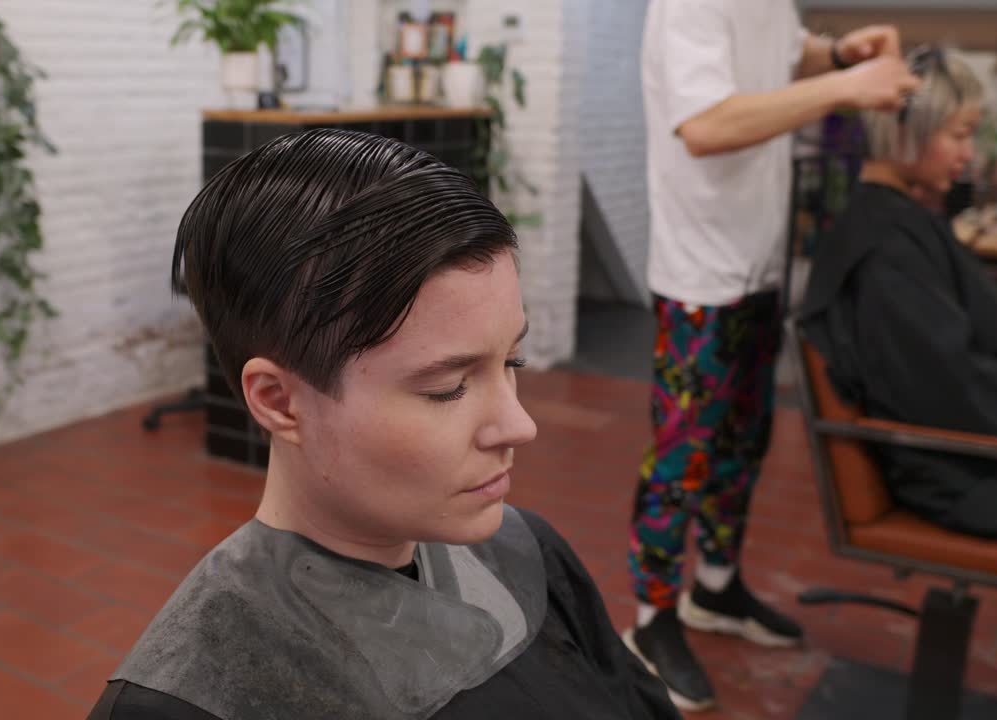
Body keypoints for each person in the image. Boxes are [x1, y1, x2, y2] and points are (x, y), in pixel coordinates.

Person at [86, 129, 681, 720]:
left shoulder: (532, 555)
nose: (519, 425)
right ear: (279, 401)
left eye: (512, 361)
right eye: (446, 387)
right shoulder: (189, 699)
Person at [631, 0, 922, 711]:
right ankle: (651, 621)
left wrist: (839, 54)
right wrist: (845, 89)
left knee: (743, 443)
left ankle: (717, 589)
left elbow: (786, 54)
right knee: (682, 457)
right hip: (700, 273)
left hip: (756, 261)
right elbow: (706, 125)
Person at [801, 48, 997, 543]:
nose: (969, 156)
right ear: (904, 130)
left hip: (978, 454)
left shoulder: (902, 222)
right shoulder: (886, 250)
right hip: (964, 472)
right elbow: (946, 386)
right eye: (959, 135)